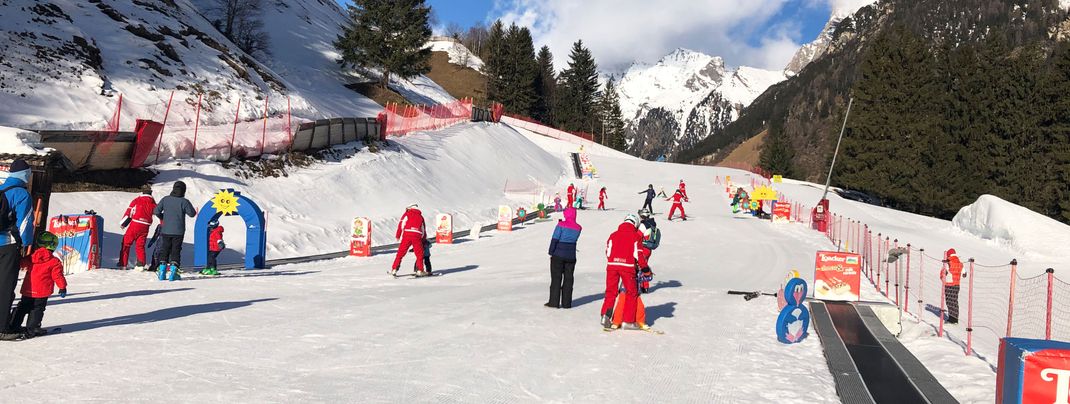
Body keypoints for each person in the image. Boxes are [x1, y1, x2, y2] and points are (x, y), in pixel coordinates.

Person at [5, 231, 65, 339]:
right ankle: (32, 328)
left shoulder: (32, 257)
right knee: (37, 309)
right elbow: (58, 276)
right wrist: (62, 287)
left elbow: (22, 263)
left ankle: (13, 325)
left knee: (22, 307)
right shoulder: (54, 261)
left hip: (28, 289)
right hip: (42, 292)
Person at [0, 159, 34, 341]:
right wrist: (28, 243)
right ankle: (2, 327)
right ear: (25, 175)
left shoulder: (1, 189)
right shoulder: (20, 193)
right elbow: (25, 222)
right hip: (7, 245)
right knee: (5, 287)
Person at [601, 215, 643, 330]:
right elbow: (639, 255)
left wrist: (614, 260)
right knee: (631, 293)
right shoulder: (636, 236)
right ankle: (628, 321)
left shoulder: (613, 234)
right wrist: (645, 269)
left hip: (612, 266)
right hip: (628, 267)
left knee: (611, 291)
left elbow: (608, 252)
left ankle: (605, 315)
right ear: (635, 224)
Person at [152, 181, 197, 281]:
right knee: (176, 250)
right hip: (179, 231)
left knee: (165, 249)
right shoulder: (184, 201)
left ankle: (162, 270)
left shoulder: (165, 199)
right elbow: (192, 213)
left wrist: (162, 217)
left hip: (166, 229)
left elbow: (156, 211)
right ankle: (174, 272)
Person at [547, 207, 581, 309]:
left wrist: (551, 252)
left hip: (558, 255)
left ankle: (554, 302)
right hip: (571, 256)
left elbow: (555, 239)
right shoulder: (579, 228)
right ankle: (567, 303)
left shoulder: (561, 225)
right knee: (568, 279)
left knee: (556, 279)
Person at [118, 187, 156, 271]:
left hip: (135, 224)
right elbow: (157, 212)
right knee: (140, 245)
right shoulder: (153, 203)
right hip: (145, 226)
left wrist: (123, 224)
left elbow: (129, 213)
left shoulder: (137, 200)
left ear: (142, 192)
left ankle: (123, 264)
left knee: (126, 243)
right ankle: (141, 264)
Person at [391, 203, 427, 277]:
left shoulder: (407, 214)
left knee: (400, 253)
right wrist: (423, 239)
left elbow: (401, 225)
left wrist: (398, 235)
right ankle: (420, 270)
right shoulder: (421, 217)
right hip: (417, 235)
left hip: (407, 235)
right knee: (419, 254)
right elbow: (423, 229)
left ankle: (394, 269)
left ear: (410, 208)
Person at [941, 248, 964, 324]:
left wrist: (942, 276)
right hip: (957, 285)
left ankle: (952, 318)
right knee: (954, 301)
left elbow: (943, 273)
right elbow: (964, 273)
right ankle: (955, 318)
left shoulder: (948, 263)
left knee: (949, 301)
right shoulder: (960, 263)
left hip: (949, 284)